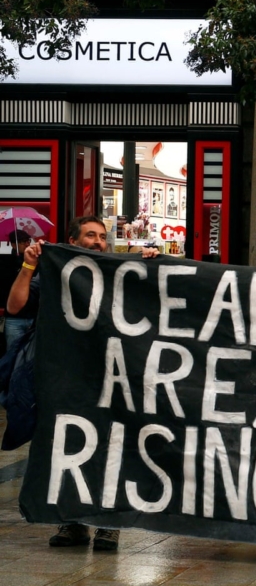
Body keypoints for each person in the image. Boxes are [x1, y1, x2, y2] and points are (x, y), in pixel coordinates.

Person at [7, 216, 159, 551]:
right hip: (64, 377)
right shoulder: (54, 272)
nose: (97, 242)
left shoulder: (116, 272)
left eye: (102, 237)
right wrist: (29, 266)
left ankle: (108, 524)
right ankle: (71, 522)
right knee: (68, 445)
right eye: (90, 235)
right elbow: (15, 306)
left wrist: (149, 264)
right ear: (72, 242)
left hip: (110, 377)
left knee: (111, 446)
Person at [2, 230, 33, 348]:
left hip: (32, 315)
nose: (27, 244)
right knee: (13, 354)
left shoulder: (35, 261)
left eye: (28, 241)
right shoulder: (6, 263)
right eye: (22, 241)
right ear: (13, 244)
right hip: (14, 318)